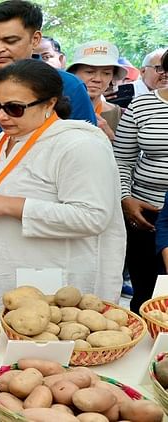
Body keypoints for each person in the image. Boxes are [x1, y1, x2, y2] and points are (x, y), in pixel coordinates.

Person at [0, 59, 125, 315]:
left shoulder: (78, 144)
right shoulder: (3, 139)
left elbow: (93, 217)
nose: (1, 116)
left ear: (49, 103)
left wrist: (14, 206)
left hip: (47, 278)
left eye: (14, 108)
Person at [0, 0, 96, 273]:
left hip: (36, 219)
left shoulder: (68, 87)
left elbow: (84, 153)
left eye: (9, 40)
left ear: (35, 39)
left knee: (29, 294)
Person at [114, 50, 168, 313]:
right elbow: (121, 159)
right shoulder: (142, 105)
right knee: (146, 295)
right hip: (146, 213)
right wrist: (126, 198)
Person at [66, 40, 128, 141]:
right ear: (73, 73)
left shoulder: (122, 115)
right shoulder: (55, 111)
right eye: (89, 72)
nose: (98, 79)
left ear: (112, 77)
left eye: (106, 73)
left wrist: (112, 141)